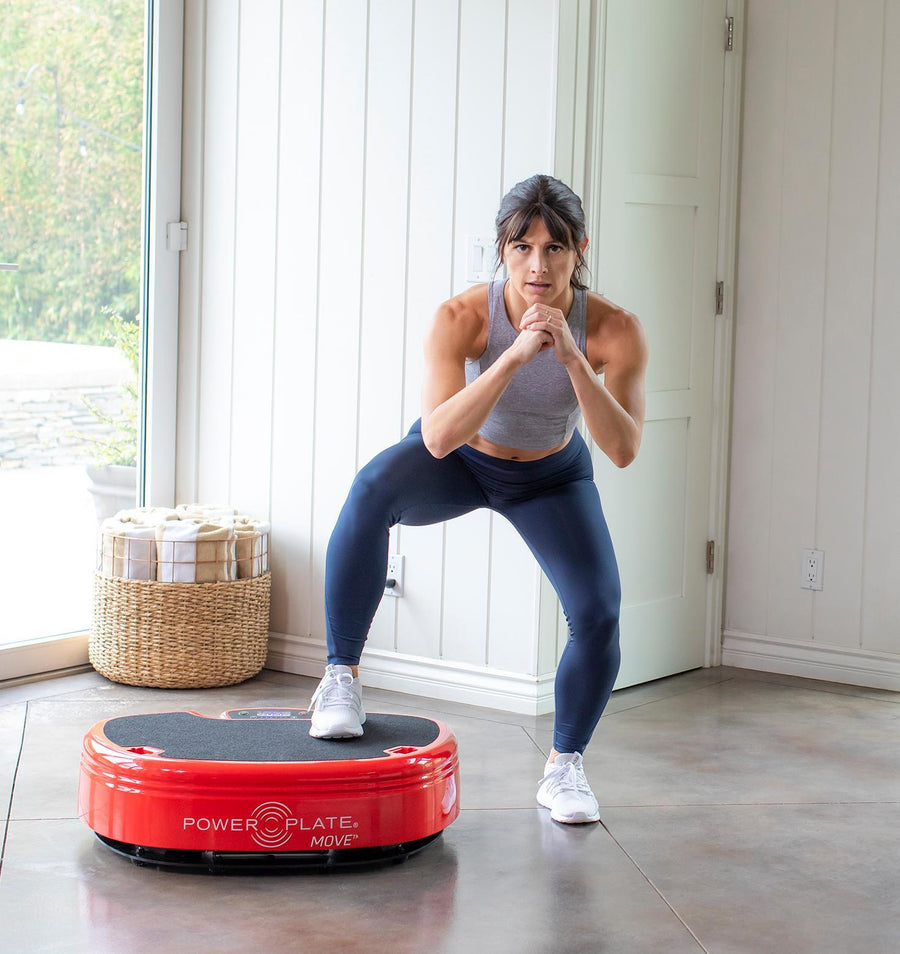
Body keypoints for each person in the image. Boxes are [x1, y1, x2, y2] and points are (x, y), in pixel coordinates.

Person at [308, 174, 647, 825]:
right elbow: (438, 438)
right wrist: (514, 357)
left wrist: (572, 359)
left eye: (554, 248)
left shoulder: (615, 329)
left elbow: (624, 449)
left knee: (599, 611)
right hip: (462, 461)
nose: (537, 266)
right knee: (371, 490)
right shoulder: (462, 317)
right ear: (503, 249)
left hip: (551, 477)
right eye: (522, 248)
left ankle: (565, 767)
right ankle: (340, 679)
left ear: (580, 248)